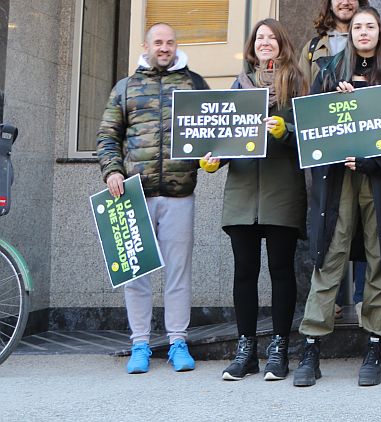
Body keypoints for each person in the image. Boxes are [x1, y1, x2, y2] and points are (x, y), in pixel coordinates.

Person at [294, 7, 381, 387]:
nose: (364, 32)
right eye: (358, 26)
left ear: (380, 32)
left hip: (380, 178)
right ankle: (311, 345)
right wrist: (334, 96)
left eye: (371, 26)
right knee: (329, 254)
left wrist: (372, 162)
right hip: (336, 179)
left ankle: (375, 346)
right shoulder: (329, 70)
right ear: (349, 32)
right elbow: (311, 124)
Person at [96, 23, 209, 374]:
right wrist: (112, 170)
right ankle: (140, 344)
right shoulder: (125, 87)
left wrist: (211, 156)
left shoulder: (194, 83)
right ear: (145, 46)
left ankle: (178, 341)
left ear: (177, 46)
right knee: (136, 273)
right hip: (133, 194)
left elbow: (212, 129)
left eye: (170, 42)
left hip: (179, 193)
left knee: (178, 273)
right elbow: (107, 135)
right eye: (158, 42)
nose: (164, 47)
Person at [201, 19, 308, 382]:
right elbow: (225, 134)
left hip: (282, 190)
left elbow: (312, 135)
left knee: (281, 272)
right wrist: (215, 157)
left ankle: (279, 349)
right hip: (242, 191)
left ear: (282, 44)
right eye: (260, 37)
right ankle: (245, 349)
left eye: (272, 37)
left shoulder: (297, 82)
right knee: (244, 273)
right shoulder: (238, 85)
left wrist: (287, 131)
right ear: (252, 45)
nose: (265, 43)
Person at [299, 0, 381, 85]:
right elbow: (304, 92)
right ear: (330, 4)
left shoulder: (371, 43)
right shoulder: (313, 47)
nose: (345, 2)